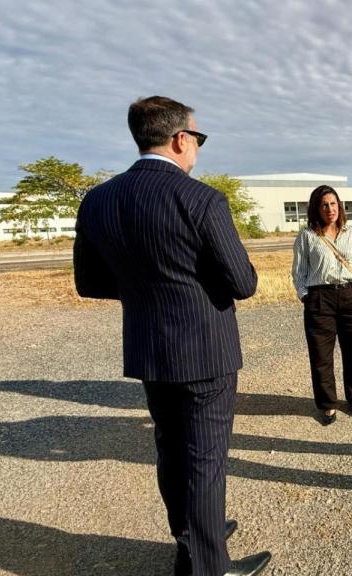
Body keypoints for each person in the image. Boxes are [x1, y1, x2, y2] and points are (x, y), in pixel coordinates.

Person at [73, 96, 271, 576]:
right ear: (181, 139)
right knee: (205, 459)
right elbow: (243, 282)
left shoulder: (99, 199)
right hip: (205, 349)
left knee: (172, 449)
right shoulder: (200, 199)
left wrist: (144, 291)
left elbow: (89, 282)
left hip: (148, 347)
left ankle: (191, 538)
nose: (198, 147)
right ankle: (208, 567)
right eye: (197, 137)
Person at [291, 185, 352, 425]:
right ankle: (327, 403)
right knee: (321, 356)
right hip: (320, 299)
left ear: (340, 206)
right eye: (325, 204)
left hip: (351, 297)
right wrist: (306, 296)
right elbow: (299, 272)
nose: (330, 209)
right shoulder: (307, 236)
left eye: (334, 204)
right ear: (316, 208)